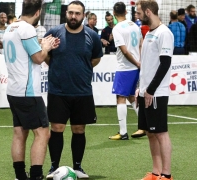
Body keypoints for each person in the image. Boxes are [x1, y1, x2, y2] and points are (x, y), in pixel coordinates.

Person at [44, 1, 103, 179]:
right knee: (57, 128)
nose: (73, 16)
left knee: (79, 130)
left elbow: (96, 59)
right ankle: (54, 166)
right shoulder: (54, 33)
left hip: (82, 91)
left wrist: (81, 69)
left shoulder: (92, 36)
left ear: (83, 16)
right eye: (70, 13)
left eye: (77, 13)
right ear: (66, 14)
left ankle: (78, 166)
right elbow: (45, 55)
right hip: (58, 91)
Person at [2, 0, 60, 179]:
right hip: (28, 92)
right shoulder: (27, 29)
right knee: (42, 133)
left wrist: (41, 43)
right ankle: (36, 176)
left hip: (13, 90)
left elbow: (24, 49)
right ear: (37, 12)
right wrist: (46, 48)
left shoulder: (10, 28)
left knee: (20, 132)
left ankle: (20, 176)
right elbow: (38, 58)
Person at [136, 0, 174, 180]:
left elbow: (165, 64)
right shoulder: (149, 33)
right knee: (150, 133)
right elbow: (147, 65)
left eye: (139, 12)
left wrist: (150, 90)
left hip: (157, 93)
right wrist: (140, 88)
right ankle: (156, 172)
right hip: (145, 92)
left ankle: (166, 175)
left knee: (160, 132)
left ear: (148, 12)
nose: (137, 15)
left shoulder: (164, 33)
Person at [108, 2, 144, 140]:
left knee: (120, 97)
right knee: (131, 97)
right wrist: (139, 61)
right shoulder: (134, 25)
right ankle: (144, 125)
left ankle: (123, 132)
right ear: (126, 11)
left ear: (114, 13)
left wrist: (135, 62)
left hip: (125, 67)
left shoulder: (117, 29)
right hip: (134, 67)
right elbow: (141, 43)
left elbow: (124, 50)